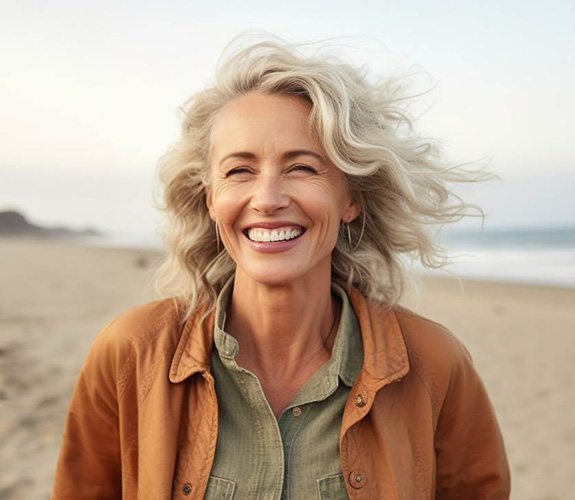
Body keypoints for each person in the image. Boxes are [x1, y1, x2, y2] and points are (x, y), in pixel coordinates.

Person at [52, 38, 510, 499]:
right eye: (239, 171)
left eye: (302, 168)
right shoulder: (131, 354)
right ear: (210, 199)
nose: (268, 199)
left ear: (351, 198)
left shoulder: (434, 364)